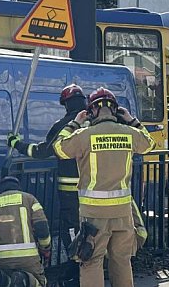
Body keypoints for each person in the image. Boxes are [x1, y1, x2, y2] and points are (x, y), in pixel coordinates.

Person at [52, 88, 156, 287]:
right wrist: (132, 120)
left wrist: (75, 123)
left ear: (92, 111)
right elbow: (149, 144)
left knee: (91, 261)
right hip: (123, 214)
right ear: (115, 110)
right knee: (121, 261)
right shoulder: (129, 133)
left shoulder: (85, 135)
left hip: (94, 215)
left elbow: (59, 148)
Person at [6, 83, 85, 286]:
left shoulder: (65, 124)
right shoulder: (95, 124)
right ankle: (89, 269)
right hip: (96, 191)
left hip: (70, 192)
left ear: (66, 104)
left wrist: (16, 143)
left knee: (72, 231)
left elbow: (42, 151)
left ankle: (77, 272)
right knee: (94, 230)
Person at [0, 176, 52, 287]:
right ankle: (25, 280)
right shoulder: (29, 199)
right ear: (18, 187)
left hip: (2, 261)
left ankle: (3, 279)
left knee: (8, 282)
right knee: (40, 283)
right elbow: (42, 228)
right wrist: (45, 248)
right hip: (28, 258)